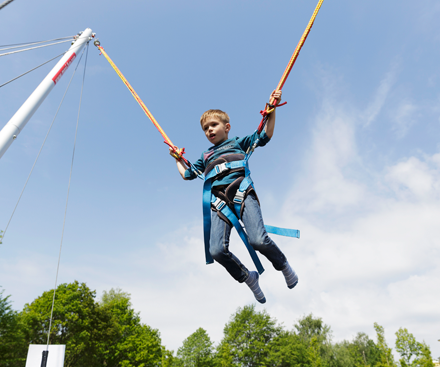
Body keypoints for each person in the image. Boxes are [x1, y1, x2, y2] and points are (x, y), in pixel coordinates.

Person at [171, 90, 297, 303]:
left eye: (213, 125)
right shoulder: (205, 156)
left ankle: (283, 264)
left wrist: (272, 111)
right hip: (219, 203)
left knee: (258, 239)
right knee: (217, 251)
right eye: (205, 128)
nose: (209, 130)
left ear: (226, 127)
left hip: (242, 191)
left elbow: (264, 135)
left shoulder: (238, 142)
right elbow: (187, 174)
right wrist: (177, 159)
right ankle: (248, 278)